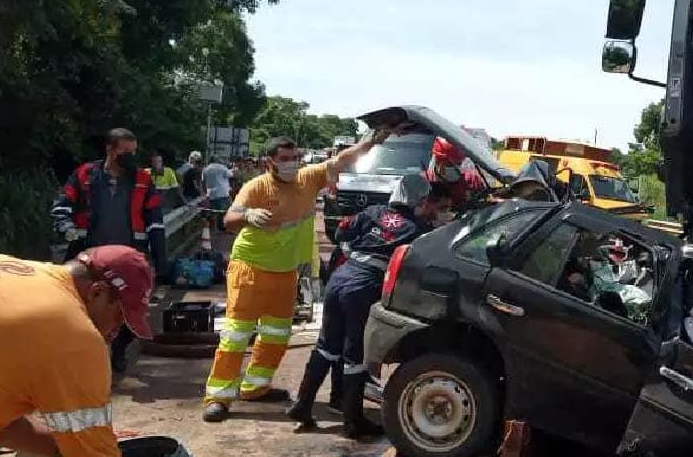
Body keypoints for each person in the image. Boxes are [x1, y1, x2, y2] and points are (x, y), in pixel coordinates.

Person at [201, 132, 397, 423]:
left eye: (295, 158)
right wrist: (249, 215)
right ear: (270, 163)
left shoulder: (307, 179)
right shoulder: (256, 187)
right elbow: (229, 220)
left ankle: (255, 387)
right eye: (284, 160)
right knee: (236, 336)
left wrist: (371, 142)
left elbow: (342, 160)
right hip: (250, 269)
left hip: (285, 271)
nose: (292, 164)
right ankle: (218, 398)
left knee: (276, 335)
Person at [0, 246, 154, 457]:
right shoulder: (74, 336)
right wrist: (93, 448)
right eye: (119, 317)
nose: (115, 331)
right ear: (97, 292)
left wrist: (73, 444)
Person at [287, 174, 451, 437]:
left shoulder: (374, 211)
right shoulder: (417, 229)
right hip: (363, 288)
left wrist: (355, 249)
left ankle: (302, 405)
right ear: (420, 200)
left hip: (341, 278)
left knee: (326, 346)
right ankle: (353, 421)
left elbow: (342, 230)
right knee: (356, 353)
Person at [51, 128, 164, 374]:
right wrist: (67, 228)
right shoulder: (85, 175)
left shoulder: (142, 180)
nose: (130, 158)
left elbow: (155, 219)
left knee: (127, 308)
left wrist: (159, 256)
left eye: (133, 153)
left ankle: (119, 352)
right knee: (82, 306)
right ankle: (84, 354)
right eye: (125, 152)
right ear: (110, 150)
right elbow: (62, 206)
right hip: (88, 259)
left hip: (127, 259)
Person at [424, 136, 486, 209]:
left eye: (459, 164)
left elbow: (485, 202)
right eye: (451, 164)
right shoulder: (425, 182)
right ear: (438, 162)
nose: (458, 169)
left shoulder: (472, 179)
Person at [201, 155, 235, 231]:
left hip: (211, 193)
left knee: (214, 210)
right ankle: (221, 227)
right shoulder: (222, 167)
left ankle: (209, 226)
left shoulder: (206, 169)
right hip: (222, 192)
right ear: (217, 160)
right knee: (224, 211)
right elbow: (231, 175)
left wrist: (205, 192)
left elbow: (203, 182)